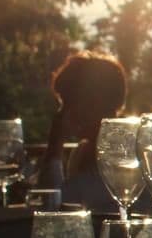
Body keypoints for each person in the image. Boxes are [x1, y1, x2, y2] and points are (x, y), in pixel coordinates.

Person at [36, 51, 133, 213]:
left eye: (68, 102)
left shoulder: (120, 157)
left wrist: (54, 147)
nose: (61, 112)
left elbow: (52, 208)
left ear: (94, 103)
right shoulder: (83, 152)